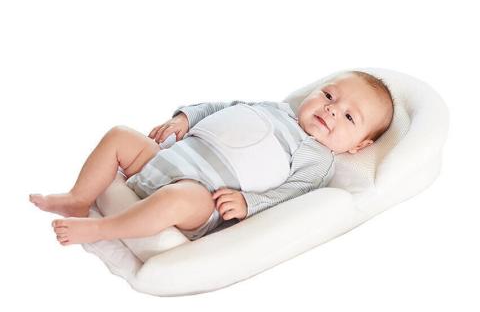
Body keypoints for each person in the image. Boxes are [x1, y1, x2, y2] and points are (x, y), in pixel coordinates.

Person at [29, 70, 394, 245]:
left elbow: (291, 195)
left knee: (176, 199)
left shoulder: (318, 159)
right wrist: (185, 118)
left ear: (358, 146)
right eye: (329, 96)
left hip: (202, 196)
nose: (331, 110)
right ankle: (79, 199)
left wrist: (249, 203)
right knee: (120, 136)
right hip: (168, 158)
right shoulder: (276, 109)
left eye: (349, 117)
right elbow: (223, 107)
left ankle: (100, 229)